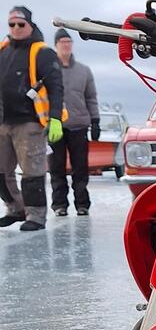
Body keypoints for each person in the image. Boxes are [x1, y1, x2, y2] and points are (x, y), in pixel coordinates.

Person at [0, 6, 64, 231]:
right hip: (3, 122)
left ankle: (35, 216)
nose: (16, 28)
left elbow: (56, 87)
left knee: (32, 172)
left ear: (29, 25)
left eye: (20, 24)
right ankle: (16, 208)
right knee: (1, 172)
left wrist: (55, 118)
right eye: (11, 24)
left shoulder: (42, 52)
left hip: (29, 122)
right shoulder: (3, 50)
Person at [49, 28, 99, 216]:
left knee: (80, 168)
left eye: (68, 42)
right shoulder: (48, 70)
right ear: (56, 46)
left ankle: (82, 204)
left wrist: (95, 121)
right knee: (56, 168)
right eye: (62, 42)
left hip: (79, 125)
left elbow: (91, 97)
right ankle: (59, 205)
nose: (66, 45)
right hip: (55, 127)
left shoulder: (83, 71)